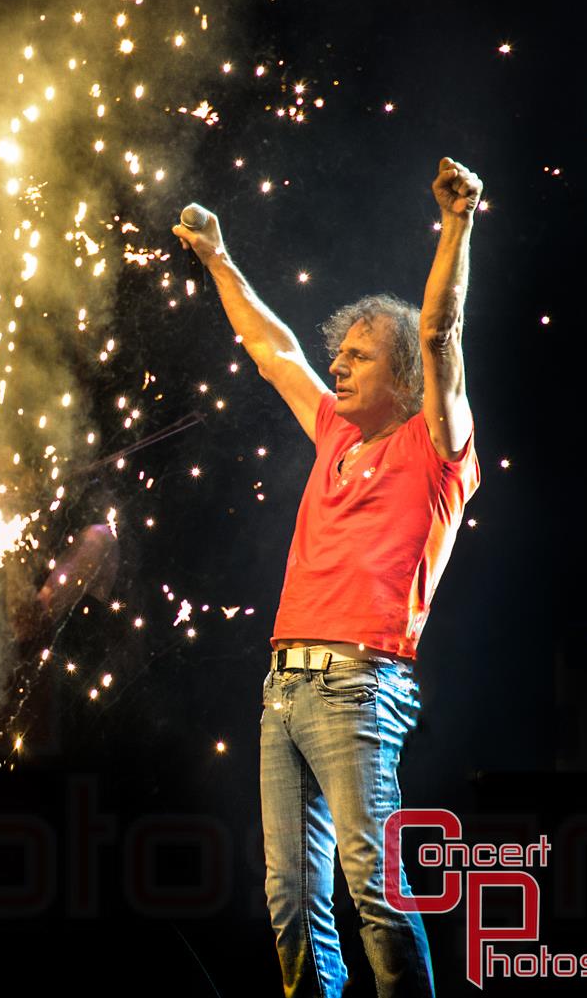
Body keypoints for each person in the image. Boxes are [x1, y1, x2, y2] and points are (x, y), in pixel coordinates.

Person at [172, 157, 484, 996]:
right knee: (290, 899)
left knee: (374, 892)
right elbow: (272, 348)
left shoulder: (437, 449)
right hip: (283, 688)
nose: (336, 366)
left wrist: (456, 225)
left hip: (358, 684)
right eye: (338, 354)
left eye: (356, 356)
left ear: (404, 380)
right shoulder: (333, 435)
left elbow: (440, 333)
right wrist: (217, 257)